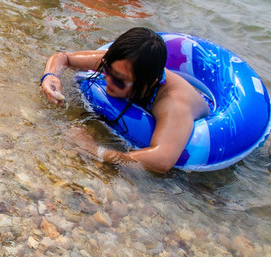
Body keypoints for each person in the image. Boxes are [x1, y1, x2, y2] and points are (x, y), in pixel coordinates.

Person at [40, 27, 210, 173]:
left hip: (197, 120)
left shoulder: (173, 102)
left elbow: (163, 160)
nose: (108, 81)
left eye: (120, 80)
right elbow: (64, 58)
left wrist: (94, 150)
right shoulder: (121, 65)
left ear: (150, 84)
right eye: (107, 71)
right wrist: (51, 76)